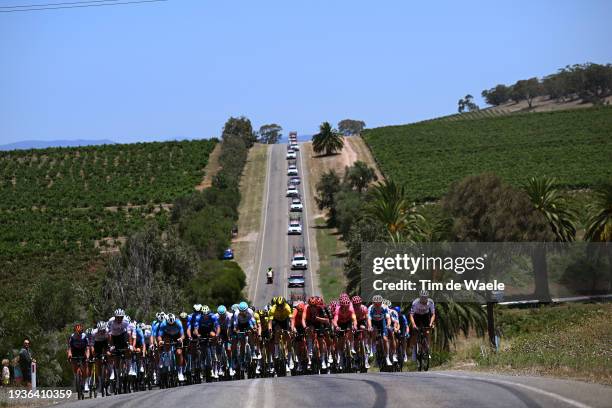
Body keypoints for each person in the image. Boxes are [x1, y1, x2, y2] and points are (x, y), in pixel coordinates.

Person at [409, 290, 436, 362]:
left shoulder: (430, 302)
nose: (424, 299)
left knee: (427, 332)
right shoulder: (415, 303)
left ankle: (427, 349)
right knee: (415, 332)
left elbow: (433, 314)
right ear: (420, 298)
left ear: (427, 298)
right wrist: (414, 324)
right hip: (417, 316)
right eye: (422, 298)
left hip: (425, 316)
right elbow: (411, 315)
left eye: (425, 298)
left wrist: (431, 323)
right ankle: (414, 350)